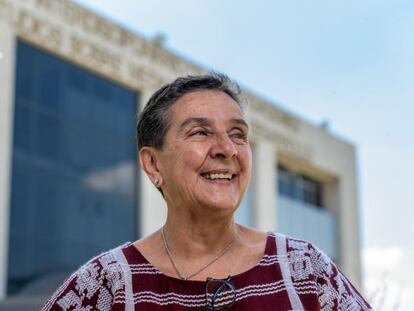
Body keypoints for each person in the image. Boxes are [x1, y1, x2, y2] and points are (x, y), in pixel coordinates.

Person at [42, 73, 372, 310]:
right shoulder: (103, 285)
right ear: (154, 165)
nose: (227, 149)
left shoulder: (305, 271)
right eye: (200, 132)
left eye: (238, 134)